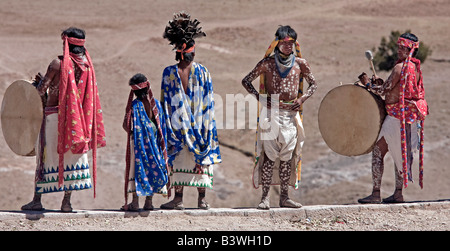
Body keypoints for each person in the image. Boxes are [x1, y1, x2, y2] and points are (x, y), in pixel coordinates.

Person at [21, 27, 106, 212]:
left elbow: (41, 92)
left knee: (44, 155)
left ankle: (37, 201)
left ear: (67, 43)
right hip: (78, 123)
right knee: (70, 158)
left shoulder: (57, 64)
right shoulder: (87, 66)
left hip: (54, 118)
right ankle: (66, 202)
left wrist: (40, 82)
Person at [242, 25, 317, 209]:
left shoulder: (301, 63)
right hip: (271, 114)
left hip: (291, 115)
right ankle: (264, 198)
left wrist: (302, 99)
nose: (288, 46)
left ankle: (284, 197)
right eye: (284, 42)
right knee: (268, 156)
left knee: (287, 157)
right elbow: (246, 81)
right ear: (277, 42)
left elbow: (313, 84)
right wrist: (261, 98)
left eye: (291, 43)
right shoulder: (266, 63)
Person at [159, 11, 221, 210]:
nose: (192, 54)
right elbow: (165, 101)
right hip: (177, 125)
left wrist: (206, 123)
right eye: (190, 51)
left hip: (199, 123)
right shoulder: (169, 73)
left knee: (198, 159)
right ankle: (178, 199)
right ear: (181, 51)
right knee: (179, 160)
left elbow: (208, 99)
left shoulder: (203, 72)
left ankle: (201, 199)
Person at [357, 32, 428, 204]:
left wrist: (367, 84)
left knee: (378, 152)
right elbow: (394, 89)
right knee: (399, 153)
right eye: (399, 47)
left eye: (403, 47)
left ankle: (375, 193)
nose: (399, 50)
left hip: (396, 117)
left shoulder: (400, 68)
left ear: (410, 49)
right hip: (407, 118)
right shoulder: (415, 68)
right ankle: (398, 193)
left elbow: (384, 90)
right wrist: (380, 84)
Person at [121, 73, 169, 211]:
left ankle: (135, 202)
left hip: (137, 143)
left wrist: (135, 132)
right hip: (154, 142)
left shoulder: (135, 106)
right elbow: (161, 126)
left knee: (137, 168)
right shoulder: (156, 106)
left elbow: (126, 125)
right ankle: (149, 202)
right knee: (151, 166)